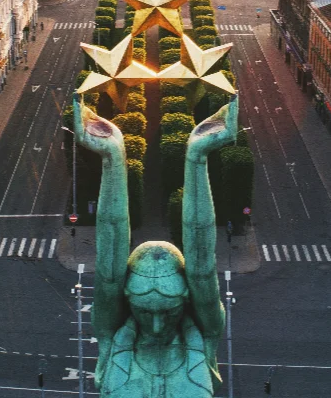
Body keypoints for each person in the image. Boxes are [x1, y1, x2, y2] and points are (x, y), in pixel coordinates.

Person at [73, 93, 238, 397]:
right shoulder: (111, 333)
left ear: (187, 298)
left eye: (169, 311)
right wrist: (113, 158)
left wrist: (197, 156)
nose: (158, 326)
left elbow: (202, 265)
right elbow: (110, 256)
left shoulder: (207, 330)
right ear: (127, 300)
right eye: (145, 312)